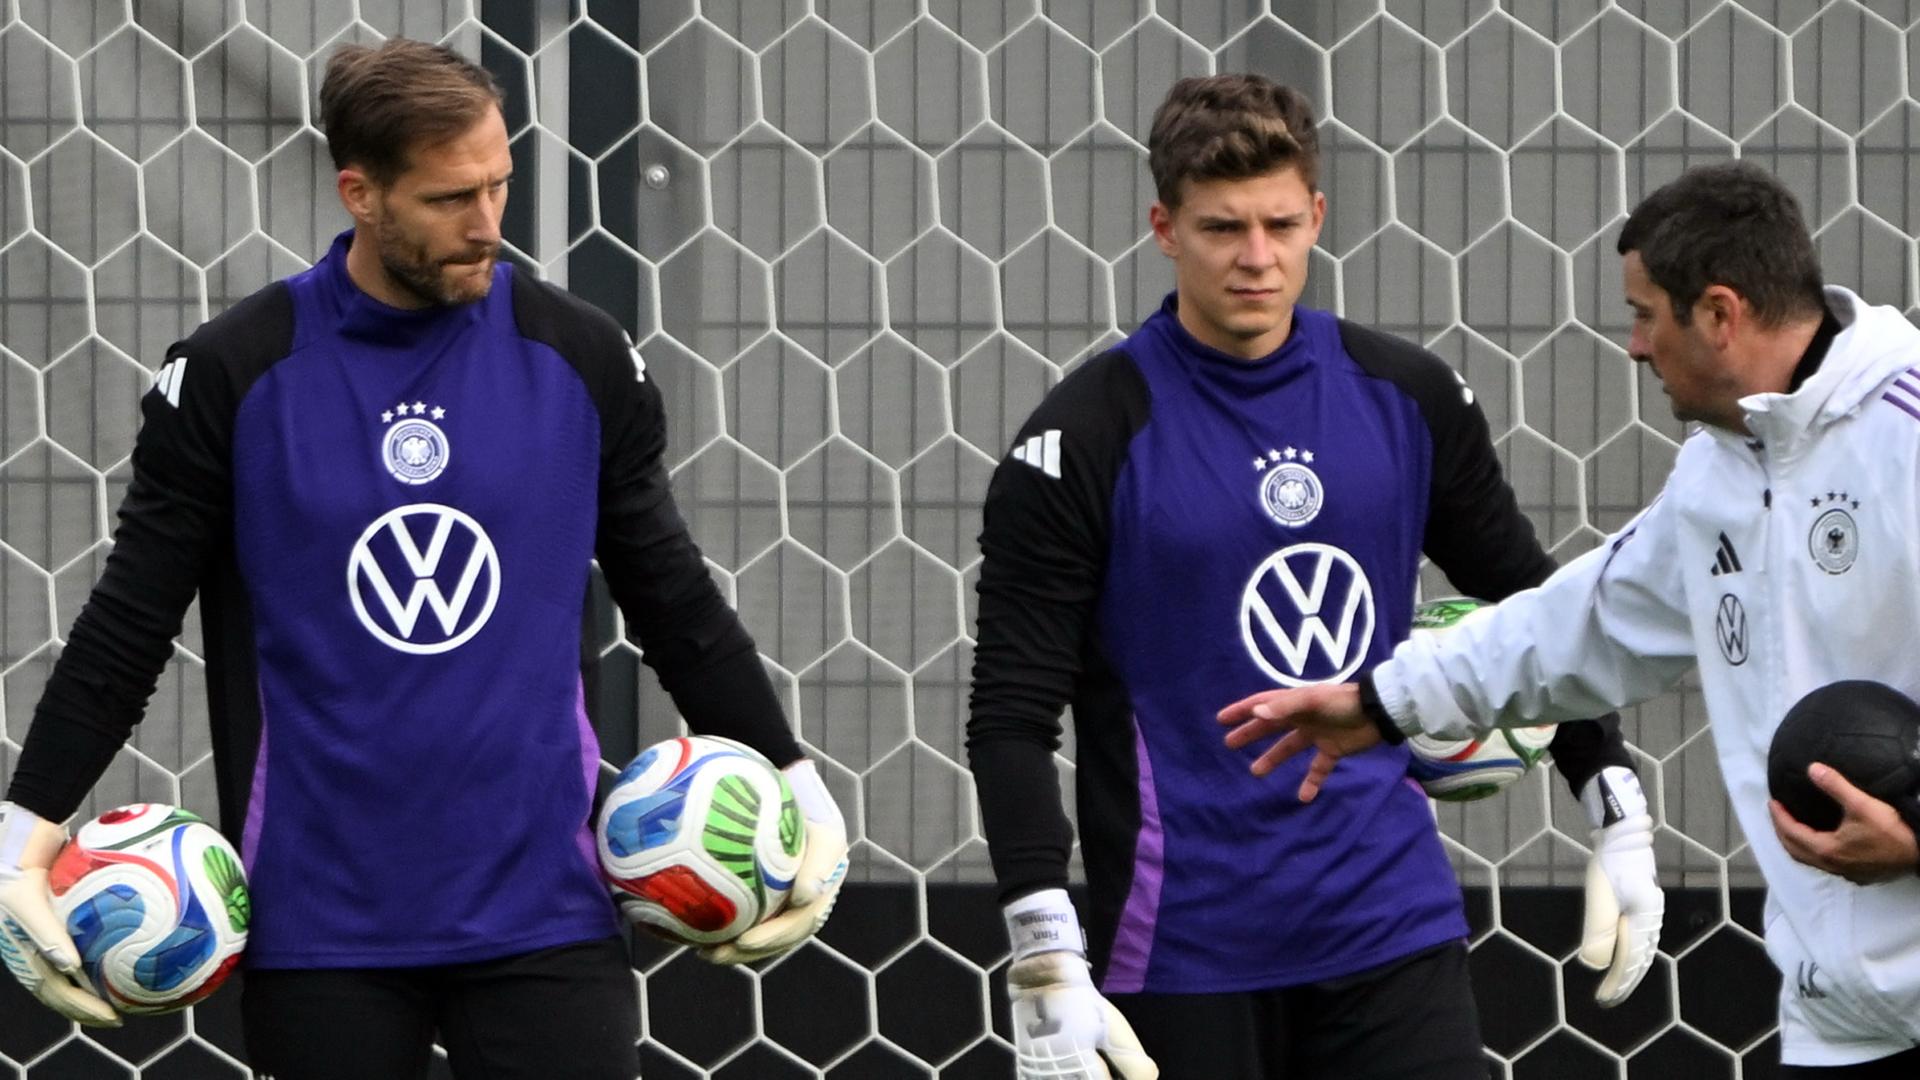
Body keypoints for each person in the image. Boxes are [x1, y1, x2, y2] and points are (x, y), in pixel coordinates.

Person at [0, 39, 847, 1079]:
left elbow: (670, 594)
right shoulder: (235, 374)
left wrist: (798, 781)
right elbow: (129, 621)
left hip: (549, 908)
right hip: (321, 926)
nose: (489, 223)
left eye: (499, 185)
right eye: (452, 198)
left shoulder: (577, 358)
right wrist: (24, 830)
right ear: (361, 192)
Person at [966, 73, 1663, 1080]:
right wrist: (1043, 954)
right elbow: (1011, 716)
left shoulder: (1406, 398)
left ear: (1319, 216)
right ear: (1164, 227)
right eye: (1222, 228)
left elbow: (1533, 607)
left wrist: (1611, 800)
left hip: (1393, 928)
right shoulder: (1083, 438)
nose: (1259, 258)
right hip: (1183, 953)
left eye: (1282, 225)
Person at [1219, 160, 1920, 1077]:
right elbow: (1582, 623)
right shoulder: (1722, 470)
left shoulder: (1903, 434)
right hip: (1839, 1021)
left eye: (1644, 314)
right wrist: (1383, 700)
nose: (1633, 346)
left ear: (1719, 313)